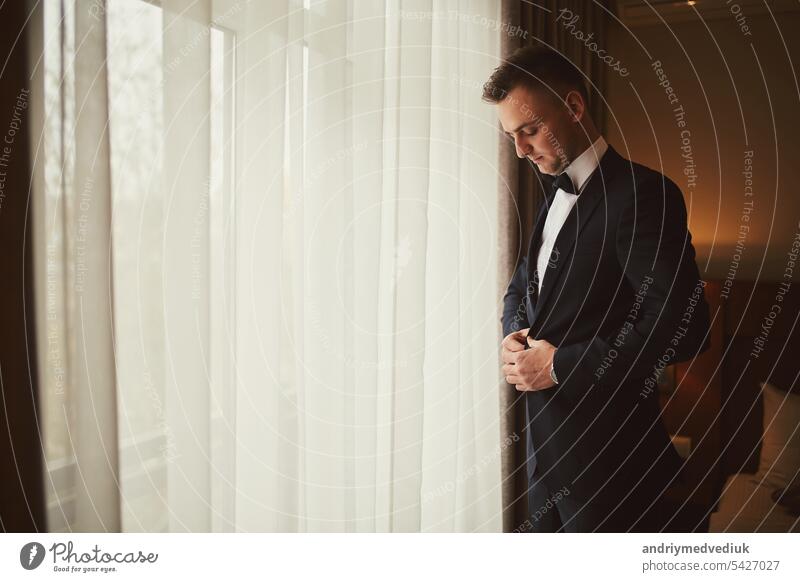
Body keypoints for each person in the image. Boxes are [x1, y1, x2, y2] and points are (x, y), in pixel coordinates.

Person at [483, 46, 710, 532]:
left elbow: (683, 326)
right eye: (511, 137)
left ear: (574, 107)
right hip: (543, 457)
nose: (520, 150)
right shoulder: (550, 198)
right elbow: (522, 288)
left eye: (529, 130)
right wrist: (515, 335)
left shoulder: (645, 195)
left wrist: (558, 364)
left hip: (611, 466)